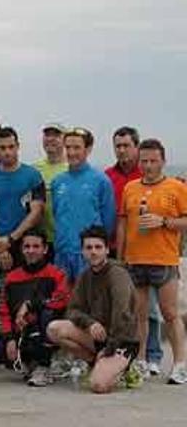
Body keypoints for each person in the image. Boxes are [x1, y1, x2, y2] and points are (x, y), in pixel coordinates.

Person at [0, 127, 44, 374]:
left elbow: (36, 212)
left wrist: (11, 240)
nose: (6, 152)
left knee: (22, 302)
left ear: (17, 146)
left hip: (23, 247)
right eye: (2, 148)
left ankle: (23, 354)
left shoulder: (32, 176)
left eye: (10, 147)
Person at [117, 139, 187, 384]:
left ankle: (180, 364)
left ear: (163, 161)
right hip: (135, 260)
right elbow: (123, 222)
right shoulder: (130, 188)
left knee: (170, 313)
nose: (148, 166)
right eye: (144, 161)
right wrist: (120, 257)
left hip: (164, 259)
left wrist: (164, 221)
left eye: (153, 161)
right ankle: (142, 362)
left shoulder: (176, 187)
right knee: (140, 315)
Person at [47, 226, 140, 394]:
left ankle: (125, 368)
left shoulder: (117, 274)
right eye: (88, 248)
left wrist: (109, 348)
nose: (93, 252)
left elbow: (123, 316)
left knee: (99, 386)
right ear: (82, 251)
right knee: (54, 329)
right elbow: (72, 310)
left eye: (98, 247)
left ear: (106, 250)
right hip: (98, 335)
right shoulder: (85, 276)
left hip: (121, 341)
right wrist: (90, 324)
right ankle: (94, 362)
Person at [105, 127, 162, 374]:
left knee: (149, 309)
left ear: (136, 147)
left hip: (148, 251)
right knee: (121, 307)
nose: (122, 150)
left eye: (126, 145)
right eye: (117, 145)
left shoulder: (148, 173)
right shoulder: (107, 176)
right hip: (116, 249)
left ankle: (153, 356)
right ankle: (124, 354)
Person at [0, 230, 70, 386]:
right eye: (27, 246)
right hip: (21, 331)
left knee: (48, 315)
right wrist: (9, 338)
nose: (31, 251)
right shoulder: (11, 277)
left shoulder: (57, 274)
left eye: (36, 246)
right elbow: (3, 311)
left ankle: (44, 365)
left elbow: (61, 300)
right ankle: (27, 362)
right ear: (22, 250)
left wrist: (30, 305)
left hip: (44, 328)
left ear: (45, 249)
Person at [51, 127, 116, 282]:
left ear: (88, 149)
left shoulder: (101, 181)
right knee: (62, 302)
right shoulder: (58, 181)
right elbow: (57, 214)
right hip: (62, 253)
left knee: (89, 303)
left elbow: (108, 221)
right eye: (68, 148)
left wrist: (96, 250)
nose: (71, 153)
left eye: (76, 148)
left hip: (88, 256)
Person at [33, 123, 68, 242]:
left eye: (56, 135)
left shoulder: (72, 168)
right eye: (47, 135)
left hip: (65, 238)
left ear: (65, 140)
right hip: (40, 240)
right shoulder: (35, 170)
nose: (50, 139)